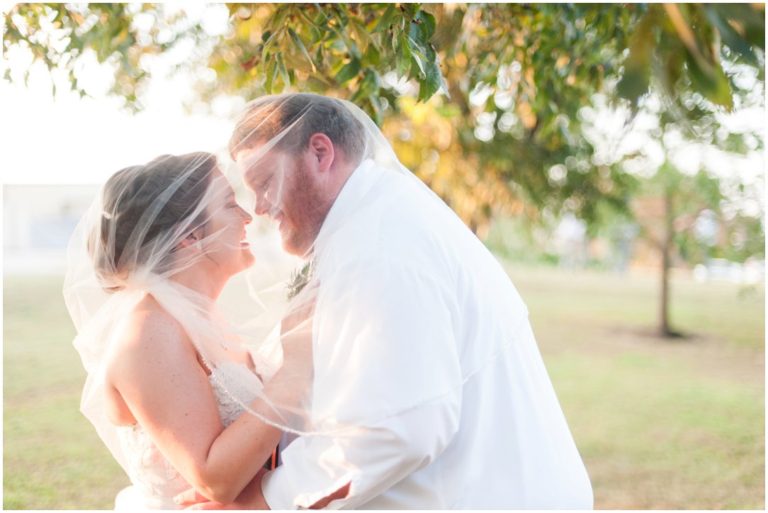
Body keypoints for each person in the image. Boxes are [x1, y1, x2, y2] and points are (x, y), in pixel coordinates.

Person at [179, 93, 594, 509]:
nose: (262, 209)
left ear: (320, 153)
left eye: (266, 183)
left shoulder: (379, 248)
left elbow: (397, 429)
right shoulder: (377, 220)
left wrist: (264, 502)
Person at [64, 152, 312, 509]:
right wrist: (295, 374)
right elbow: (214, 480)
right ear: (189, 236)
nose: (247, 217)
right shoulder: (149, 334)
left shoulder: (201, 318)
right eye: (230, 205)